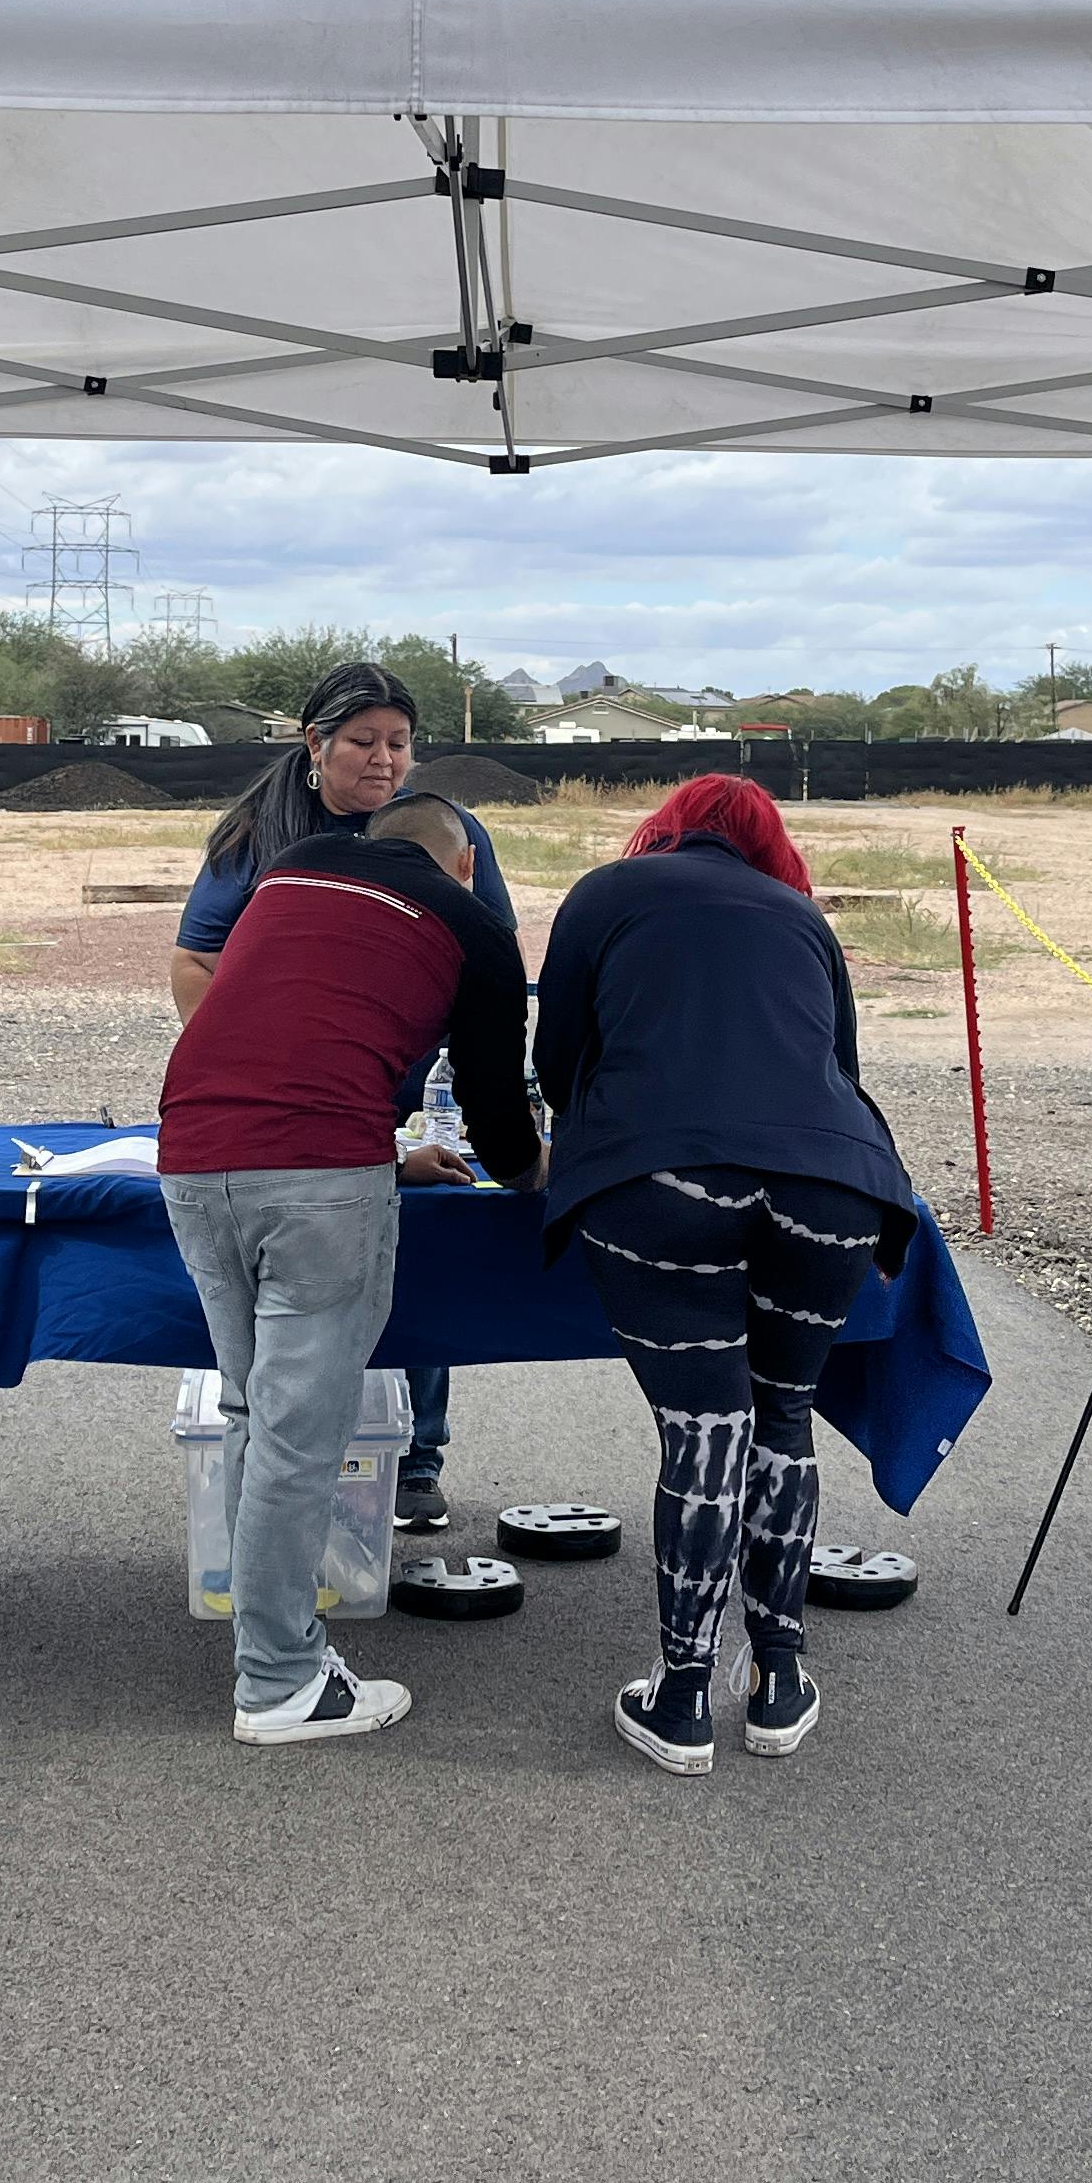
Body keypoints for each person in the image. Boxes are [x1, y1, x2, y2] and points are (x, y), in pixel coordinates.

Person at [530, 776, 919, 1776]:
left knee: (707, 1429)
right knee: (780, 1421)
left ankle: (684, 1695)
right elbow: (840, 1062)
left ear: (660, 829)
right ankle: (779, 1681)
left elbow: (558, 1054)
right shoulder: (800, 914)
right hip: (831, 1181)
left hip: (661, 1178)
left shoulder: (606, 893)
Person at [158, 793, 539, 1746]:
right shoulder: (474, 925)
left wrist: (392, 1153)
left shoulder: (295, 869)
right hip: (318, 1175)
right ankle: (278, 1683)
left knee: (254, 1411)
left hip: (193, 1154)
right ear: (462, 866)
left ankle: (271, 1646)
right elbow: (499, 1121)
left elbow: (301, 1015)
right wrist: (542, 1175)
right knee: (299, 1432)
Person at [173, 662, 508, 1533]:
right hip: (281, 1114)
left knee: (420, 1258)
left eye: (399, 744)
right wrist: (257, 1066)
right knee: (285, 1375)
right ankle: (281, 1581)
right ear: (315, 743)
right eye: (364, 742)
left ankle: (416, 1455)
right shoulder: (259, 835)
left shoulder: (451, 833)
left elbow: (485, 960)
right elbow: (196, 963)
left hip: (395, 1092)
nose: (384, 760)